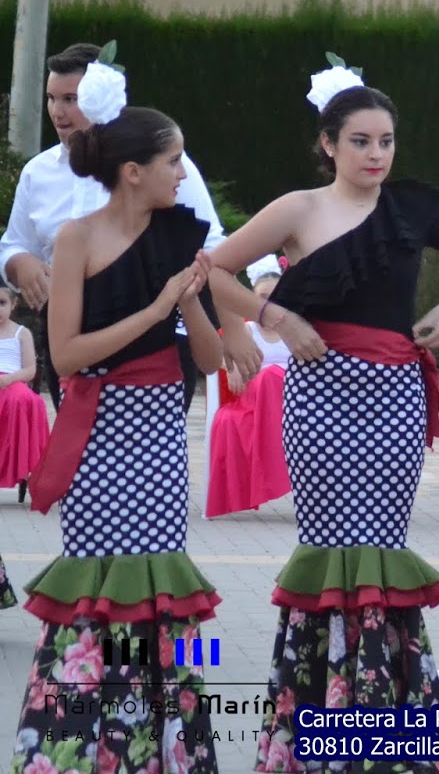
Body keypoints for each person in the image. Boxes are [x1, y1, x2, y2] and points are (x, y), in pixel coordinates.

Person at [201, 60, 439, 773]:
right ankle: (320, 722)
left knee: (382, 548)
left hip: (395, 397)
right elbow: (209, 269)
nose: (376, 154)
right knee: (329, 545)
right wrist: (274, 317)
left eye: (386, 141)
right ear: (328, 143)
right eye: (361, 141)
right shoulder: (298, 209)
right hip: (319, 396)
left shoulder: (414, 207)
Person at [10, 88, 226, 774]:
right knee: (95, 587)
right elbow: (67, 354)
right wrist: (157, 309)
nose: (183, 173)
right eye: (174, 160)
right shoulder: (75, 238)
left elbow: (212, 361)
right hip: (98, 434)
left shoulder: (182, 234)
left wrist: (190, 302)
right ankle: (77, 745)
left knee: (159, 584)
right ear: (133, 171)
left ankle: (164, 748)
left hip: (160, 434)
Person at [0, 41, 252, 411]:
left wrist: (233, 325)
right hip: (71, 341)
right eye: (52, 99)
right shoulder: (37, 173)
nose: (58, 111)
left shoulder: (159, 165)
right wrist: (19, 262)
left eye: (71, 98)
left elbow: (213, 248)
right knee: (76, 433)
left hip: (160, 343)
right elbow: (14, 244)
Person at [204, 255, 295, 518]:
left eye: (275, 296)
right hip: (253, 401)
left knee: (274, 376)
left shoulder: (295, 331)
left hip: (289, 403)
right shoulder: (246, 331)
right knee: (268, 377)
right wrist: (231, 367)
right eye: (262, 297)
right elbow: (218, 354)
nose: (269, 303)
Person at [0, 285, 49, 503]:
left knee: (24, 399)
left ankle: (22, 464)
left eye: (2, 303)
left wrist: (10, 379)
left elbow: (30, 369)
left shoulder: (22, 333)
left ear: (13, 304)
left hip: (13, 379)